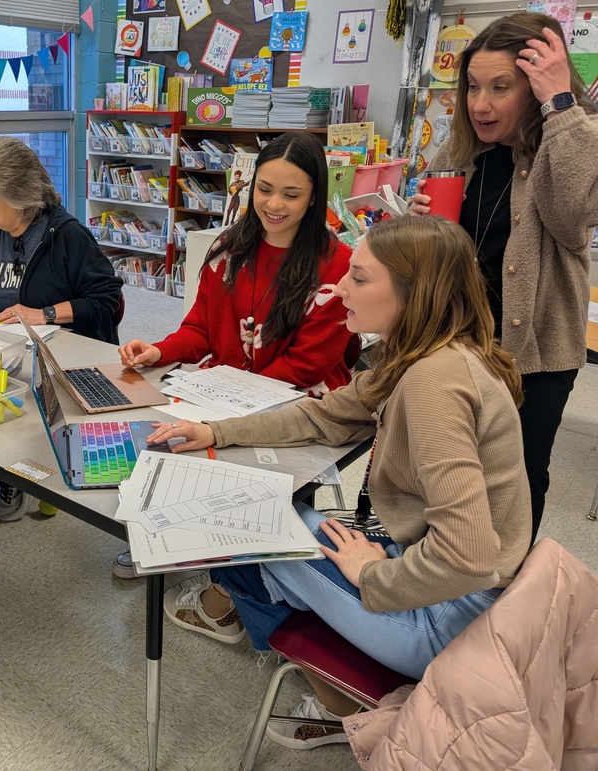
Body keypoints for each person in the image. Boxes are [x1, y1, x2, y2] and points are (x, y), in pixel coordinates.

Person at [150, 216, 531, 750]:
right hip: (454, 587)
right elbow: (322, 416)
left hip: (448, 616)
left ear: (411, 292)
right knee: (280, 534)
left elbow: (466, 554)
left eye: (358, 278)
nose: (337, 290)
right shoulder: (425, 353)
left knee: (240, 532)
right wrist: (215, 430)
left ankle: (334, 698)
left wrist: (375, 576)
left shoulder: (433, 384)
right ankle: (301, 633)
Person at [113, 132, 357, 578]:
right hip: (225, 388)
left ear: (314, 196)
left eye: (291, 193)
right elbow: (200, 329)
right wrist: (158, 350)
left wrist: (226, 417)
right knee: (165, 438)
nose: (274, 204)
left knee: (236, 467)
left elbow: (307, 368)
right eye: (264, 189)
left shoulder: (337, 264)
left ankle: (238, 579)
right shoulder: (229, 247)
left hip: (297, 398)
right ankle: (164, 537)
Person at [408, 12, 598, 542]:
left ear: (535, 88)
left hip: (534, 351)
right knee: (446, 467)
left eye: (500, 88)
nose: (480, 104)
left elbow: (575, 212)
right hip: (458, 341)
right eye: (472, 86)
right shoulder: (464, 150)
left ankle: (503, 593)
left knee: (516, 479)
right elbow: (438, 246)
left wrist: (560, 105)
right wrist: (419, 218)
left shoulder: (572, 138)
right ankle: (442, 573)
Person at [0, 136, 123, 522]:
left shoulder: (67, 234)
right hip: (5, 349)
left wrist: (45, 313)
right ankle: (9, 468)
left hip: (61, 357)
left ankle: (27, 469)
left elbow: (106, 299)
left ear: (19, 194)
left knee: (7, 395)